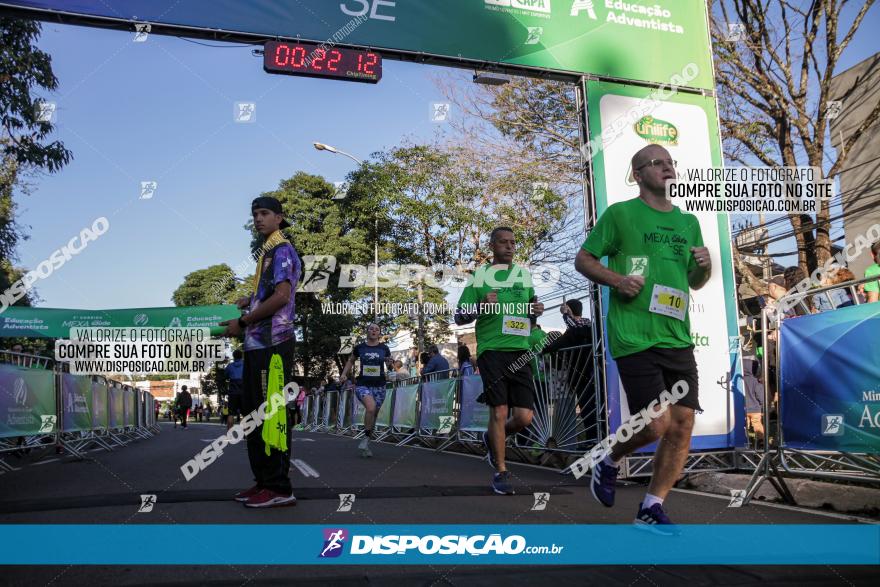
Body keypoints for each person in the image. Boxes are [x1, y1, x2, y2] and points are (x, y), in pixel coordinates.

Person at [574, 145, 710, 533]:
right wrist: (618, 280)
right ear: (637, 174)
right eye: (658, 163)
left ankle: (651, 506)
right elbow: (584, 260)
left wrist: (705, 266)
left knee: (682, 424)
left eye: (671, 163)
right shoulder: (620, 215)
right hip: (635, 335)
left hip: (676, 336)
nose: (667, 168)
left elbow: (694, 281)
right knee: (655, 424)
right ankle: (609, 458)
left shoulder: (688, 222)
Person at [221, 195, 301, 508]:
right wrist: (249, 300)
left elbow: (282, 297)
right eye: (255, 214)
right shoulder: (266, 253)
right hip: (257, 345)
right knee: (254, 416)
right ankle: (263, 483)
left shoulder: (281, 249)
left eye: (265, 213)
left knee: (271, 415)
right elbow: (268, 294)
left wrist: (243, 320)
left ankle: (280, 487)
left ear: (279, 218)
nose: (258, 219)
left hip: (274, 345)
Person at [455, 226, 545, 495]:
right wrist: (480, 306)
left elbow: (531, 314)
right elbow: (460, 316)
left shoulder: (523, 276)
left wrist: (535, 311)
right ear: (492, 246)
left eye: (513, 242)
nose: (509, 246)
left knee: (524, 417)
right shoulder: (479, 277)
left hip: (520, 350)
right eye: (503, 242)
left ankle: (491, 438)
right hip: (492, 350)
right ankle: (502, 471)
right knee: (499, 410)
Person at [340, 323, 394, 457]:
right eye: (371, 329)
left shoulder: (384, 348)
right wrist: (344, 373)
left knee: (374, 414)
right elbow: (351, 361)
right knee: (370, 408)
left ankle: (367, 440)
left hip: (380, 385)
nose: (374, 331)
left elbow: (390, 365)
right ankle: (365, 437)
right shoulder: (360, 348)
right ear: (367, 332)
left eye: (377, 329)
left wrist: (390, 364)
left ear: (379, 333)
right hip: (363, 384)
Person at [225, 349, 244, 431]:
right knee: (245, 414)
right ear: (242, 356)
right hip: (244, 391)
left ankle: (229, 434)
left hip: (233, 391)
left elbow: (225, 376)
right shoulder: (245, 365)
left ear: (233, 356)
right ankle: (246, 433)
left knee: (231, 413)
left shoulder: (230, 366)